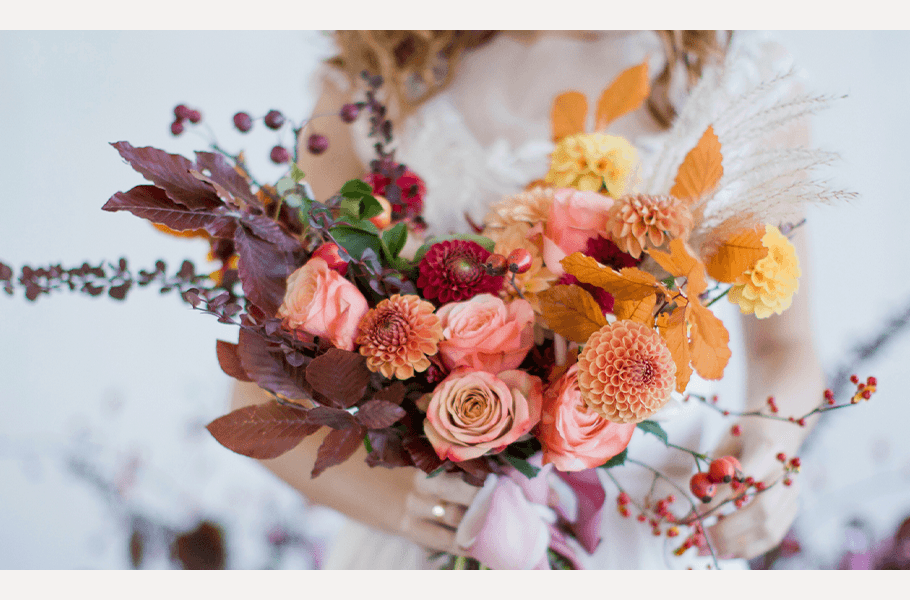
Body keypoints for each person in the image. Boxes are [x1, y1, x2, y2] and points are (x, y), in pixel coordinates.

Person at [230, 30, 825, 569]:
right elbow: (256, 392)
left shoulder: (740, 75)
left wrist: (767, 459)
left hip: (657, 519)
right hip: (446, 530)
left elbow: (786, 347)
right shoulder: (372, 82)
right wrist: (424, 510)